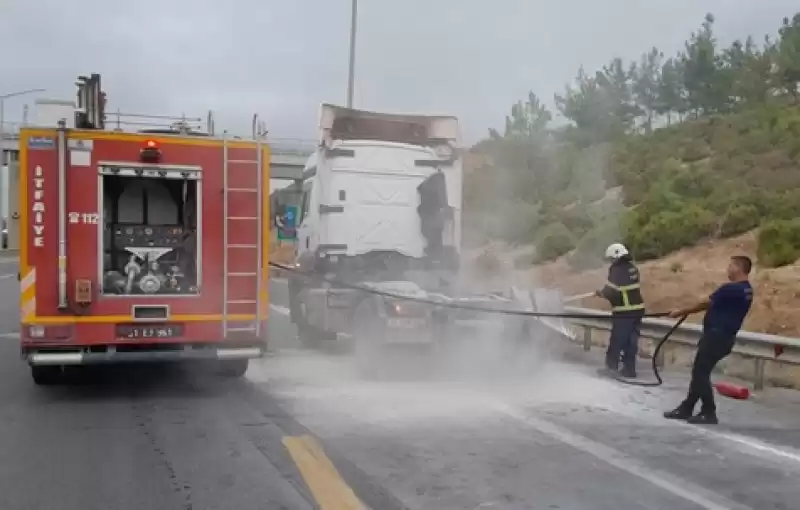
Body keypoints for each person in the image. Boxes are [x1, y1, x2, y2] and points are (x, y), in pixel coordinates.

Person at [663, 255, 754, 425]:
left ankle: (708, 411)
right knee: (700, 372)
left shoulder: (731, 289)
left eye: (730, 266)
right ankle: (686, 408)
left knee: (700, 373)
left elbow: (705, 303)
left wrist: (681, 311)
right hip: (725, 337)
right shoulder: (747, 290)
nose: (728, 269)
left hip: (716, 336)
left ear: (738, 268)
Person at [595, 243, 645, 378]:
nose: (610, 262)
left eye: (611, 259)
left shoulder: (617, 270)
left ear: (616, 256)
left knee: (618, 339)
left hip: (625, 311)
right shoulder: (632, 268)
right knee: (631, 341)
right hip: (637, 310)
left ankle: (611, 368)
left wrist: (601, 293)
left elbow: (612, 290)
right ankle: (630, 370)